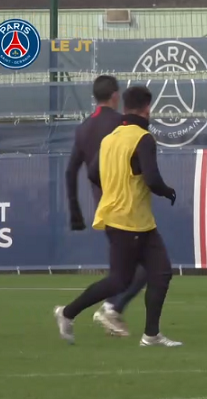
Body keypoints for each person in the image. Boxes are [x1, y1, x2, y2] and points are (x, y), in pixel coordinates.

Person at [54, 85, 181, 347]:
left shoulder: (111, 138)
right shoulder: (142, 137)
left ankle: (151, 335)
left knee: (160, 272)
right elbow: (153, 179)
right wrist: (168, 191)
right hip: (129, 220)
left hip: (131, 220)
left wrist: (115, 185)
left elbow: (91, 173)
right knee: (120, 281)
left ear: (125, 107)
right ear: (147, 108)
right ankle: (67, 313)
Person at [66, 75, 148, 337]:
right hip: (126, 205)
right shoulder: (121, 124)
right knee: (143, 268)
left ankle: (103, 309)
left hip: (105, 207)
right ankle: (103, 309)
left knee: (134, 269)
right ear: (115, 96)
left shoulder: (83, 128)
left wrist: (76, 212)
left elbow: (71, 172)